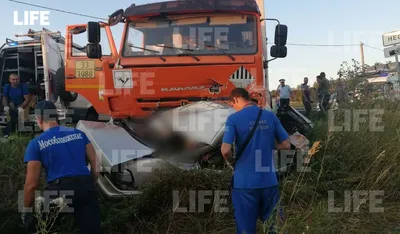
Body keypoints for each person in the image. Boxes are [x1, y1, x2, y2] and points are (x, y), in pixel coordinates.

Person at [21, 100, 103, 234]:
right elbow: (96, 165)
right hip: (85, 186)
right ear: (57, 117)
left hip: (58, 192)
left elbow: (31, 184)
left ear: (39, 119)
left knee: (41, 229)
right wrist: (90, 186)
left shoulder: (35, 144)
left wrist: (26, 210)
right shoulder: (78, 133)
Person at [221, 88, 291, 234]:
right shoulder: (270, 116)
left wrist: (232, 162)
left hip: (244, 184)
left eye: (233, 105)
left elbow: (225, 150)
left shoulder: (233, 119)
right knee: (274, 227)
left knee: (246, 229)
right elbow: (286, 145)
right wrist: (269, 144)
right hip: (269, 182)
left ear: (236, 99)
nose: (234, 108)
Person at [2, 73, 32, 138]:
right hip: (11, 104)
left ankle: (24, 135)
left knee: (23, 119)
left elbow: (27, 99)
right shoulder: (7, 87)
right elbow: (4, 98)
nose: (15, 81)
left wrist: (21, 107)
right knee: (9, 119)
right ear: (10, 80)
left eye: (17, 79)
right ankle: (8, 134)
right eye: (13, 79)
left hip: (23, 104)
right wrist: (6, 106)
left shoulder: (24, 86)